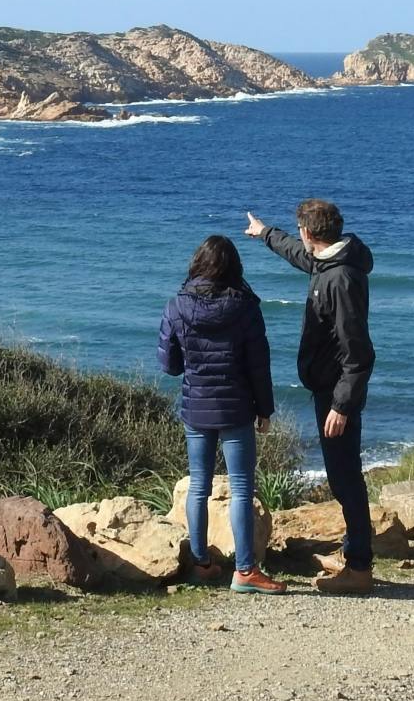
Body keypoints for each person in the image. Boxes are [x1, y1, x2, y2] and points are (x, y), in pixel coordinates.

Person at [244, 199, 376, 594]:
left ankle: (359, 567)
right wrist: (265, 233)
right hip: (329, 387)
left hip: (336, 393)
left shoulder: (340, 279)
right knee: (342, 474)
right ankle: (353, 551)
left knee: (345, 477)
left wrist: (342, 405)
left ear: (308, 232)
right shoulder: (329, 261)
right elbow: (299, 255)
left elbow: (358, 352)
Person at [156, 234, 285, 594]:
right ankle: (245, 571)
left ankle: (201, 564)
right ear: (234, 268)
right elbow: (259, 364)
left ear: (197, 263)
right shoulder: (246, 307)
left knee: (199, 485)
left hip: (195, 406)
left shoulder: (176, 306)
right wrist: (265, 409)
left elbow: (169, 365)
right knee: (241, 488)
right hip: (236, 408)